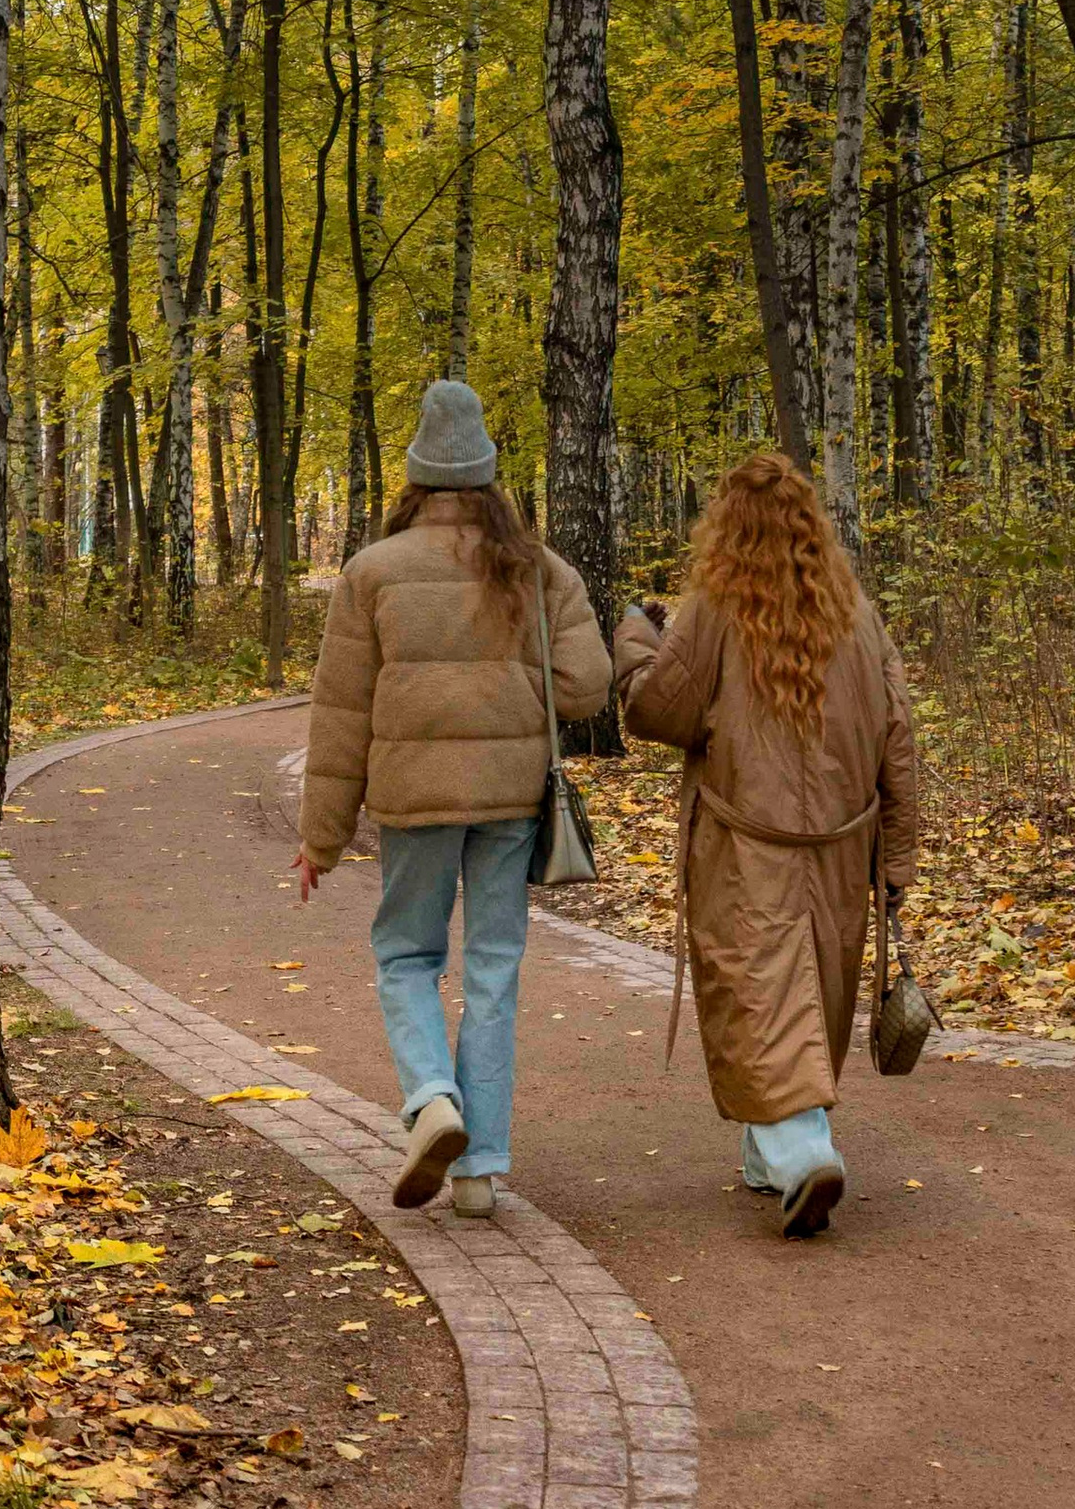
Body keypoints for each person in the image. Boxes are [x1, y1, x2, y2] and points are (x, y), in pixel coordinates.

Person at [295, 378, 611, 1218]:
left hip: (412, 802)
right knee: (495, 967)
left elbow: (340, 711)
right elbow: (585, 688)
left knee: (406, 956)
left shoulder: (371, 573)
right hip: (511, 801)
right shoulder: (537, 569)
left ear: (416, 477)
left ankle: (433, 1097)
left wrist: (319, 837)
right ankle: (481, 1171)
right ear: (487, 475)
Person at [613, 450, 918, 1238]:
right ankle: (765, 1158)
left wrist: (635, 645)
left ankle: (805, 1153)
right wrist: (898, 858)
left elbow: (661, 711)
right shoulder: (854, 608)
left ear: (729, 529)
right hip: (845, 847)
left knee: (759, 1002)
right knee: (811, 994)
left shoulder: (716, 606)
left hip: (747, 847)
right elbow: (898, 737)